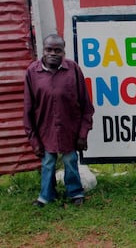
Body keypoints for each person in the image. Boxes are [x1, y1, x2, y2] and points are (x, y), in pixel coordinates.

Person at [23, 34, 95, 207]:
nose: (53, 53)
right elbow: (28, 108)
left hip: (69, 129)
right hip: (45, 130)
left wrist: (83, 134)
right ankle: (46, 195)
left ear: (64, 51)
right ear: (43, 50)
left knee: (70, 160)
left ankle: (75, 192)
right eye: (49, 49)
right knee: (48, 163)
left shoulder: (73, 70)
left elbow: (85, 104)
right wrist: (33, 140)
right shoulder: (32, 72)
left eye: (57, 50)